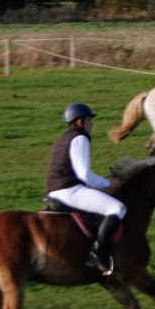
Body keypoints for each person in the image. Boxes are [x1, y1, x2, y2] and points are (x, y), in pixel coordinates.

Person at [46, 103, 126, 276]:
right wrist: (108, 183)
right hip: (68, 189)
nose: (92, 124)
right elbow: (84, 175)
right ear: (81, 121)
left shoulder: (65, 137)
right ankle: (98, 253)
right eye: (90, 120)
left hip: (56, 189)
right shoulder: (79, 138)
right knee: (117, 208)